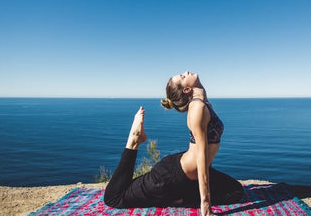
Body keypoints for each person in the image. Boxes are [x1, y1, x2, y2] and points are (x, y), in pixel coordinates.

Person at [104, 71, 243, 216]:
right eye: (183, 76)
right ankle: (133, 141)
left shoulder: (202, 102)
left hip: (188, 174)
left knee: (236, 191)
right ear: (187, 90)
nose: (186, 72)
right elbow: (201, 157)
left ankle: (177, 197)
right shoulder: (197, 108)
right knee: (114, 198)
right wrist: (205, 206)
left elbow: (200, 93)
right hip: (170, 176)